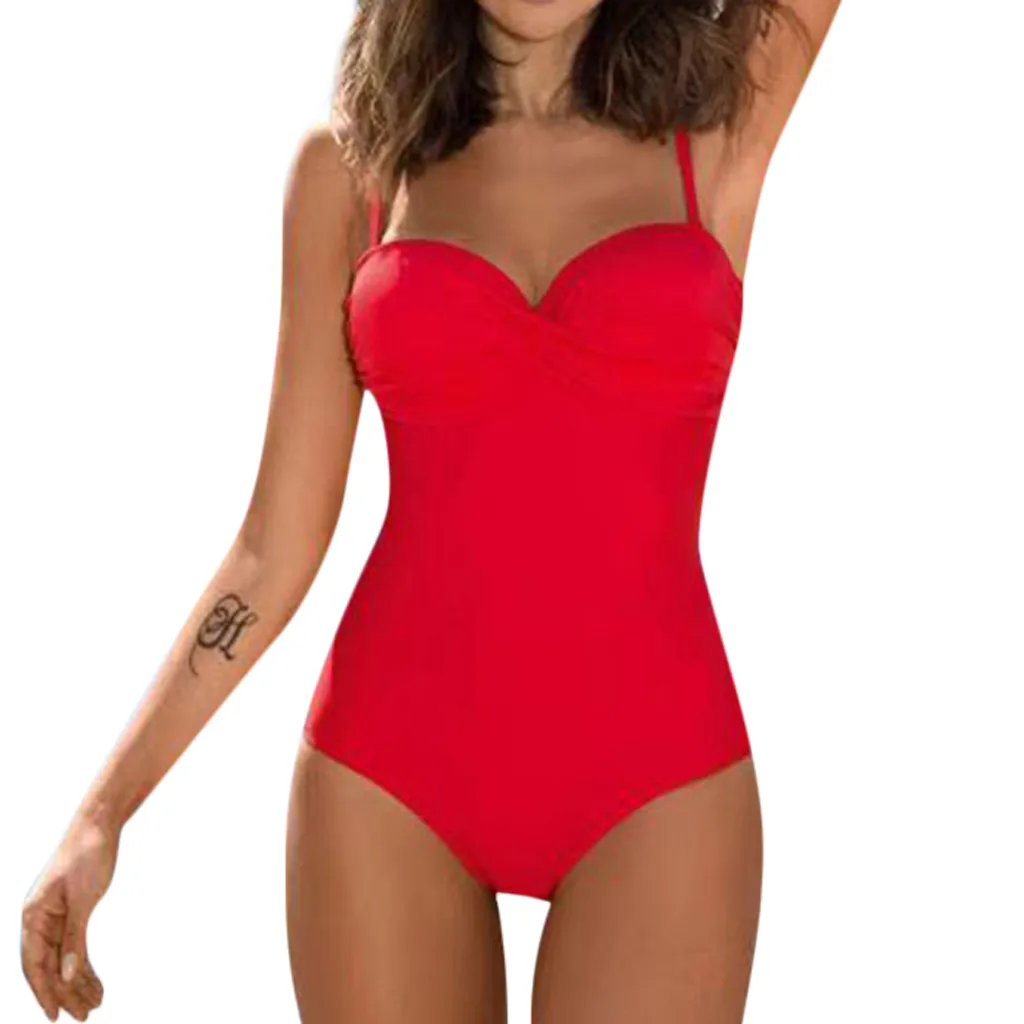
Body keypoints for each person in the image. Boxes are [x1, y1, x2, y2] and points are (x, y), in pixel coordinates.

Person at [21, 1, 841, 1020]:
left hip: (659, 775)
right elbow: (274, 544)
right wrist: (102, 816)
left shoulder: (720, 128)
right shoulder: (351, 176)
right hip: (388, 774)